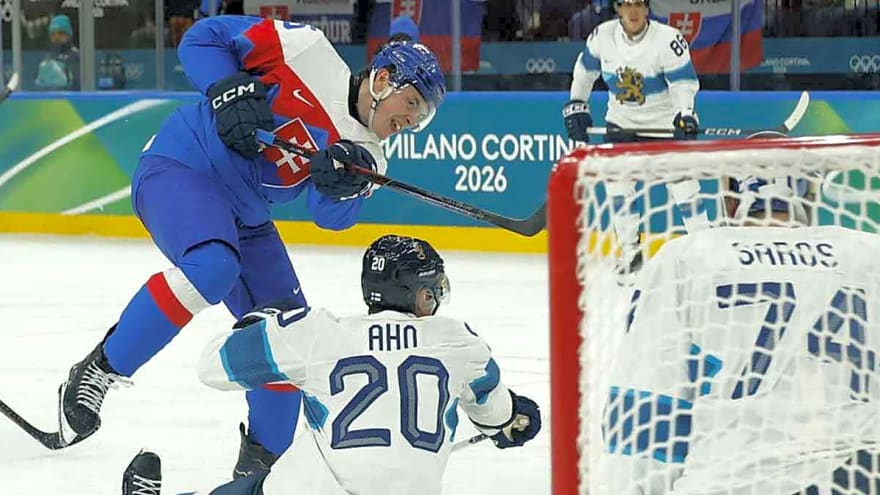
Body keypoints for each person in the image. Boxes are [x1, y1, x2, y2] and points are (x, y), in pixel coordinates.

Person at [54, 15, 446, 480]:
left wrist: (343, 180)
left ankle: (258, 477)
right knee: (213, 266)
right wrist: (229, 87)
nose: (411, 121)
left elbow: (329, 217)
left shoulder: (371, 153)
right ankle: (98, 371)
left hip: (246, 214)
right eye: (412, 103)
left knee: (285, 338)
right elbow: (201, 39)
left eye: (421, 117)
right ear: (384, 79)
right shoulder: (307, 50)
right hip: (182, 164)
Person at [119, 234, 542, 495]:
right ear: (419, 294)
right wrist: (514, 417)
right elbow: (498, 414)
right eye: (432, 291)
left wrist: (259, 325)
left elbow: (211, 366)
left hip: (312, 489)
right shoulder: (459, 341)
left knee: (254, 488)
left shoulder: (318, 334)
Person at [595, 173, 880, 494]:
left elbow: (645, 405)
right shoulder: (869, 253)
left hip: (736, 479)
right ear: (811, 198)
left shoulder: (690, 256)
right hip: (860, 477)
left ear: (729, 201)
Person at [562, 0, 702, 275]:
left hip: (662, 126)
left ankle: (704, 249)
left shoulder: (667, 39)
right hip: (621, 124)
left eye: (639, 4)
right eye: (627, 4)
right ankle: (630, 251)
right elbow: (584, 72)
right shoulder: (602, 36)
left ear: (647, 8)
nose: (633, 11)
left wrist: (685, 112)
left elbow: (683, 83)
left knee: (684, 188)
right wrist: (577, 104)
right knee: (618, 188)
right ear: (618, 8)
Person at [35, 14, 80, 90]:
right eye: (53, 35)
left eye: (60, 33)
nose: (56, 38)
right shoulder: (47, 58)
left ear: (68, 35)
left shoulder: (75, 56)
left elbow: (77, 86)